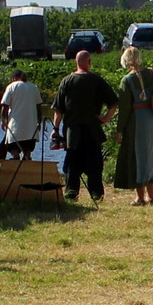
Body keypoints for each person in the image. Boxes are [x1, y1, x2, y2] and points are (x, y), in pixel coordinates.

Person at [52, 50, 120, 202]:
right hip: (92, 130)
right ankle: (96, 194)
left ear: (76, 62)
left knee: (72, 164)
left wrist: (55, 129)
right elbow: (114, 103)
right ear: (89, 62)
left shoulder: (67, 81)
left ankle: (71, 192)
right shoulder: (97, 80)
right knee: (94, 165)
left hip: (72, 131)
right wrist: (104, 119)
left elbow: (58, 109)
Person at [114, 46, 153, 205]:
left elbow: (124, 109)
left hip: (137, 121)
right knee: (152, 155)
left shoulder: (127, 80)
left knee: (138, 156)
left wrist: (119, 130)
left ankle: (140, 197)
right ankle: (151, 197)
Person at [0, 69, 41, 161]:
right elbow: (39, 107)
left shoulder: (11, 87)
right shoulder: (34, 87)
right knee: (28, 146)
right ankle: (27, 160)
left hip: (15, 124)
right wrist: (39, 122)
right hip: (31, 124)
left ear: (14, 78)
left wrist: (3, 120)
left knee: (13, 145)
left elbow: (5, 106)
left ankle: (15, 158)